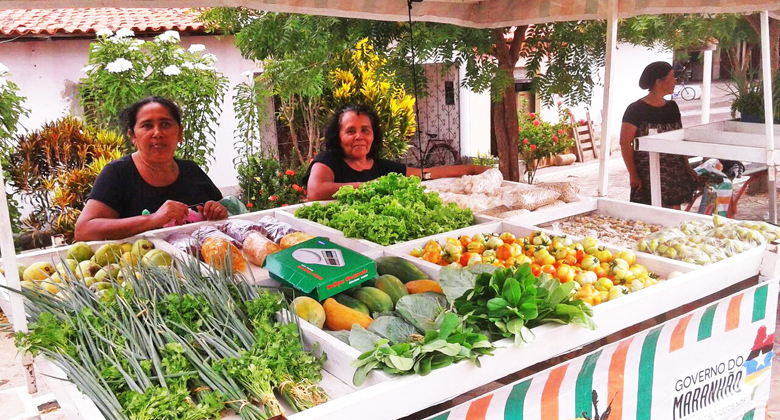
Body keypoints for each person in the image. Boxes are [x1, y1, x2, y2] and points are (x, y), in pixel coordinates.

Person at [74, 97, 228, 241]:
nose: (157, 133)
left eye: (165, 124)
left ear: (180, 133)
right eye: (147, 125)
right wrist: (153, 219)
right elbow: (84, 230)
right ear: (133, 136)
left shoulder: (192, 171)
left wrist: (217, 212)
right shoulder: (117, 174)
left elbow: (223, 213)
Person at [304, 104, 480, 201]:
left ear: (373, 135)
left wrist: (471, 169)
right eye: (350, 131)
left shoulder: (383, 168)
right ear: (338, 136)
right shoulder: (328, 160)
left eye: (365, 130)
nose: (359, 136)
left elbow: (424, 174)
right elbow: (316, 191)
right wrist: (371, 186)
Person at [620, 61, 698, 209]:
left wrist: (687, 167)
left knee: (674, 215)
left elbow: (680, 138)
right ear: (658, 82)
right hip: (648, 174)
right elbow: (625, 144)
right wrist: (633, 174)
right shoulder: (635, 110)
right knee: (649, 215)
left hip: (674, 173)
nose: (675, 81)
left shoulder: (672, 107)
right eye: (672, 77)